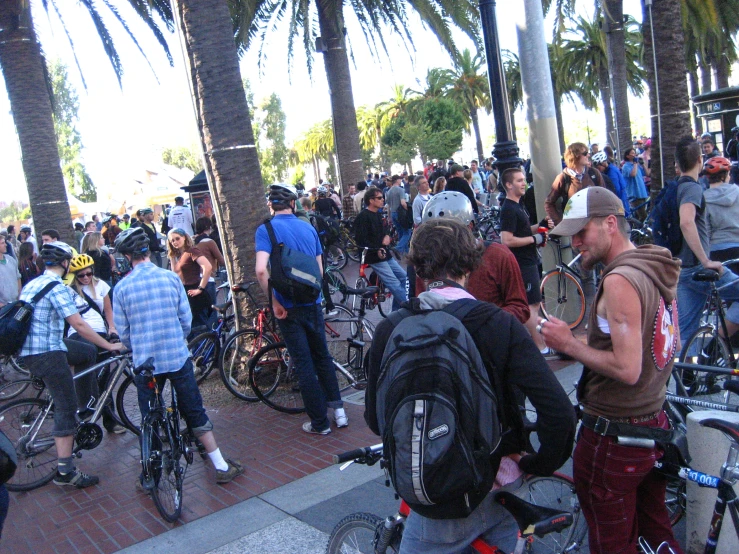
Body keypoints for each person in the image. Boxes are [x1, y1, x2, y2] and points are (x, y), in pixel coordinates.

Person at [365, 218, 576, 554]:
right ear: (470, 263)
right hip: (500, 486)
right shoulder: (500, 323)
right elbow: (559, 412)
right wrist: (536, 463)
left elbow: (376, 420)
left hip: (433, 500)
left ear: (417, 267)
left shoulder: (391, 329)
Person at [540, 186, 683, 554]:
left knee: (612, 544)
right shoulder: (656, 264)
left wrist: (569, 344)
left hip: (614, 437)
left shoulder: (620, 281)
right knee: (657, 536)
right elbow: (672, 343)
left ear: (609, 224)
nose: (574, 242)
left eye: (581, 232)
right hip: (652, 426)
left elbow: (628, 368)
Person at [112, 228, 243, 485]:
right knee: (194, 409)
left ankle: (149, 474)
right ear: (149, 251)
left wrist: (137, 345)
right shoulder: (170, 279)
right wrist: (176, 337)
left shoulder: (122, 288)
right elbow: (185, 320)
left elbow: (124, 332)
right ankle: (220, 465)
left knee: (149, 414)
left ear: (127, 256)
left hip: (146, 363)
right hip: (175, 355)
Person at [18, 242, 124, 489]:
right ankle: (65, 472)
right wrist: (109, 346)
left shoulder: (34, 283)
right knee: (65, 408)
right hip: (47, 353)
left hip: (39, 349)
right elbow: (79, 325)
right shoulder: (56, 287)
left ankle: (86, 403)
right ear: (65, 263)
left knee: (86, 352)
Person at [254, 184, 347, 435]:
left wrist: (274, 301)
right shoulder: (308, 227)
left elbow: (261, 270)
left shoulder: (266, 230)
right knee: (323, 357)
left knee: (304, 363)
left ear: (271, 206)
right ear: (293, 204)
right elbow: (319, 270)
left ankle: (320, 423)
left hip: (287, 306)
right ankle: (339, 412)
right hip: (312, 303)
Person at [673, 137, 739, 354]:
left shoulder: (677, 188)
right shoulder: (692, 189)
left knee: (686, 328)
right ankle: (715, 344)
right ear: (700, 160)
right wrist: (705, 260)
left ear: (676, 164)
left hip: (683, 267)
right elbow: (686, 221)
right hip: (697, 265)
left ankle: (688, 381)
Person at [499, 168, 556, 357]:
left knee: (534, 305)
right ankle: (541, 348)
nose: (524, 183)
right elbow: (506, 240)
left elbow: (522, 230)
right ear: (508, 185)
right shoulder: (508, 208)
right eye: (519, 180)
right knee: (531, 306)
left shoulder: (517, 206)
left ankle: (541, 344)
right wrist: (535, 240)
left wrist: (539, 226)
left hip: (529, 260)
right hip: (523, 263)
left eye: (524, 180)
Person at [66, 254, 124, 434]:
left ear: (93, 271)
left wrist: (112, 329)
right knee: (85, 375)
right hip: (79, 333)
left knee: (104, 380)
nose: (85, 278)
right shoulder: (69, 290)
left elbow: (108, 310)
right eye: (80, 275)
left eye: (88, 274)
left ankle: (110, 420)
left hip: (99, 333)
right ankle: (84, 413)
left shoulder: (101, 286)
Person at [354, 187, 408, 311]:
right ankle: (409, 307)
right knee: (393, 283)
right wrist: (377, 248)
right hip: (373, 256)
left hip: (384, 254)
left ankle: (397, 309)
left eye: (382, 197)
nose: (382, 200)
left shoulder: (378, 215)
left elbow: (385, 232)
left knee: (405, 278)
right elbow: (361, 240)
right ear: (371, 200)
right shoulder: (363, 217)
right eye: (379, 198)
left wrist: (388, 236)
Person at [167, 228, 212, 333]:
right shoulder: (178, 255)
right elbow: (175, 275)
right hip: (184, 293)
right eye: (172, 240)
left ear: (184, 237)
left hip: (195, 293)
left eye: (177, 238)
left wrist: (200, 288)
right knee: (190, 329)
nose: (175, 242)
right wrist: (172, 256)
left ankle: (209, 348)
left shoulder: (192, 251)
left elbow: (207, 267)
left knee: (199, 328)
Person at [192, 217, 226, 307]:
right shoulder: (209, 242)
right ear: (208, 227)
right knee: (212, 308)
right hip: (208, 278)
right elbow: (221, 261)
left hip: (195, 278)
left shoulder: (194, 242)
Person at [592, 151, 631, 217]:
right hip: (620, 200)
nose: (598, 170)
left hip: (620, 201)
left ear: (603, 163)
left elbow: (616, 190)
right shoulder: (610, 169)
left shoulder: (612, 173)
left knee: (623, 219)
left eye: (598, 167)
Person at [385, 175, 411, 253]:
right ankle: (398, 248)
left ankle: (405, 252)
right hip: (400, 214)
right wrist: (408, 210)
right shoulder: (400, 190)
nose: (401, 181)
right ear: (397, 180)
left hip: (393, 213)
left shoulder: (389, 191)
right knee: (407, 233)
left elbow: (388, 205)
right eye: (400, 179)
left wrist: (389, 217)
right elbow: (403, 203)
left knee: (400, 233)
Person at [621, 148, 649, 220]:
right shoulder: (626, 166)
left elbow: (647, 173)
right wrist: (635, 164)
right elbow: (633, 174)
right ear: (627, 156)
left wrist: (643, 164)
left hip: (642, 193)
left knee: (640, 215)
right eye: (632, 153)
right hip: (634, 194)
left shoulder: (637, 166)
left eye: (635, 153)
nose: (634, 155)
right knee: (643, 215)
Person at [0, 234, 20, 309]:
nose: (5, 245)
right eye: (2, 243)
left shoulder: (11, 260)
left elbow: (18, 278)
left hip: (15, 304)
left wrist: (19, 297)